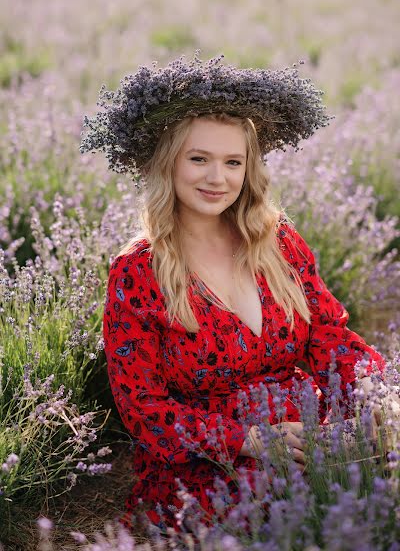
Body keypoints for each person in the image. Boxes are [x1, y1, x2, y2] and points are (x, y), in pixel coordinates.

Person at [80, 53, 387, 535]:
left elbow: (329, 335)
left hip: (309, 429)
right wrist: (249, 440)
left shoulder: (277, 242)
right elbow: (143, 407)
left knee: (372, 476)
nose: (216, 178)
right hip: (214, 459)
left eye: (232, 162)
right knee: (279, 512)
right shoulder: (137, 272)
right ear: (168, 164)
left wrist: (375, 394)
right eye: (198, 159)